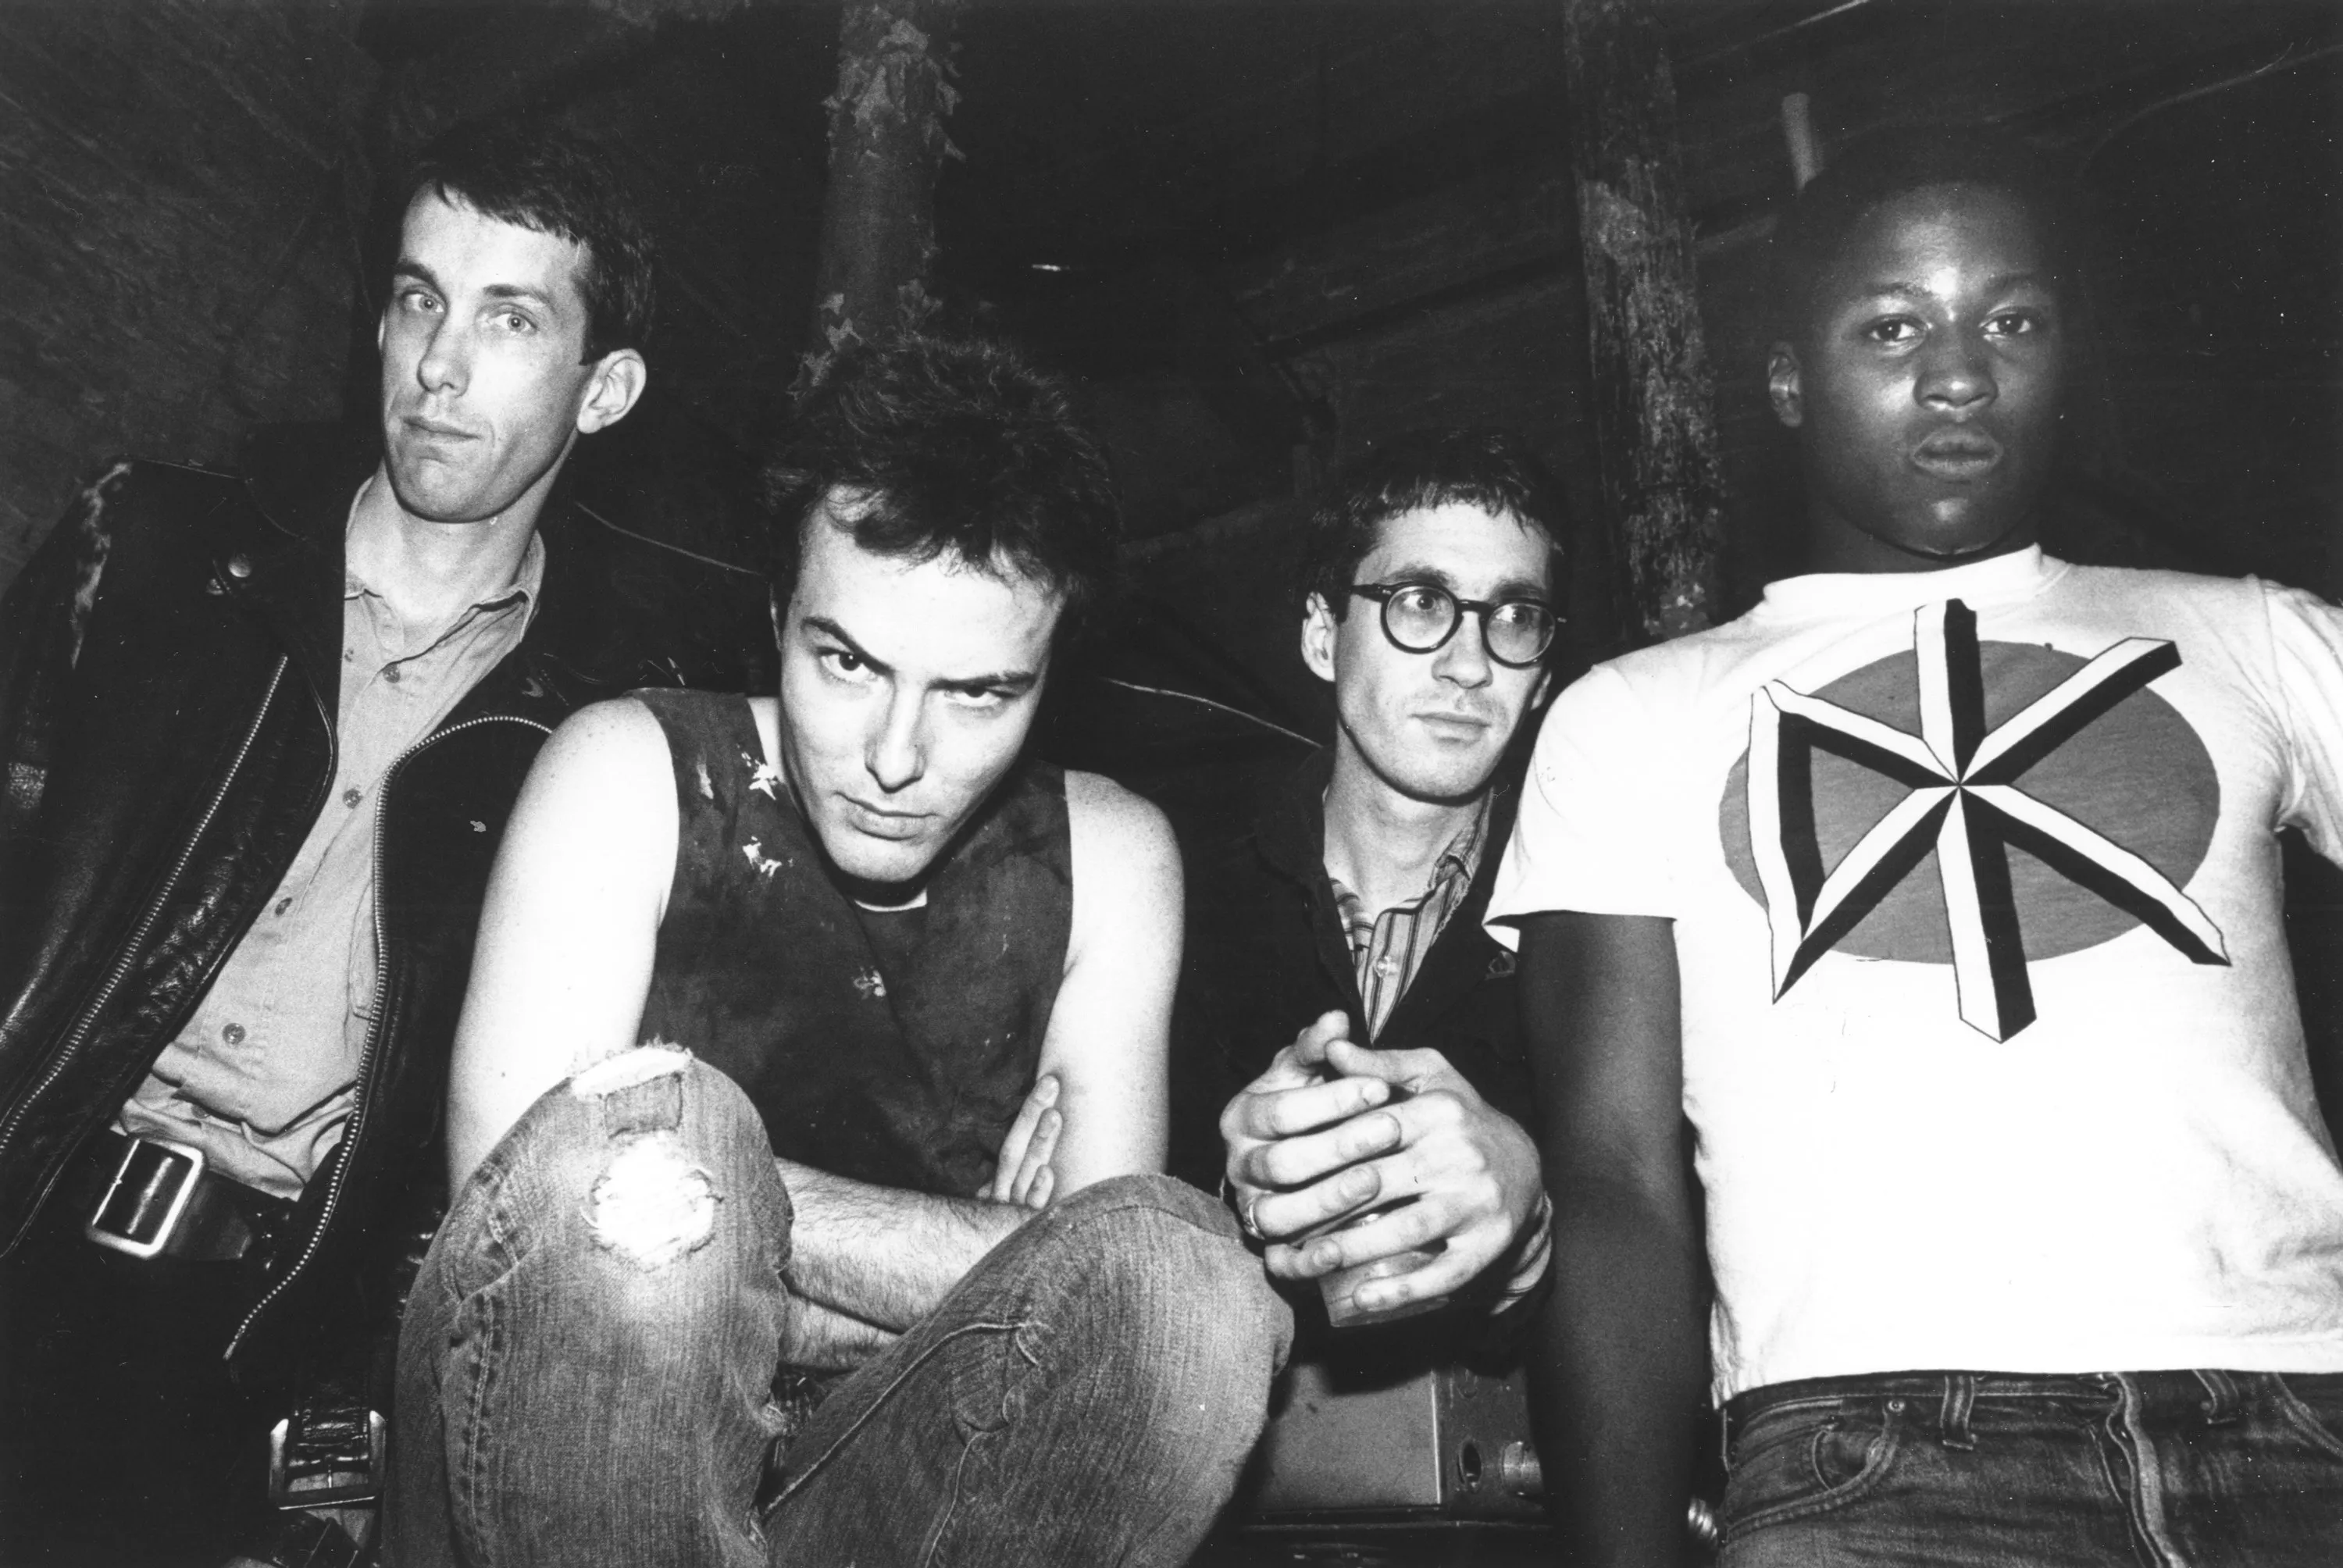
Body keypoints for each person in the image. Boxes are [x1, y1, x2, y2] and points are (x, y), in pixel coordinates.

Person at [1488, 124, 2343, 1566]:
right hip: (1876, 1458)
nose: (1959, 373)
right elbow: (1616, 1185)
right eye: (1891, 327)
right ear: (1785, 381)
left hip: (2306, 1413)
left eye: (2012, 319)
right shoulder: (1636, 714)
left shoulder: (2254, 632)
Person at [386, 331, 1290, 1568]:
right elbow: (532, 1251)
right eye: (848, 661)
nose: (896, 756)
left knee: (1194, 1290)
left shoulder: (1113, 858)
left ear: (1049, 678)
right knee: (640, 1175)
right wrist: (984, 1263)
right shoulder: (631, 769)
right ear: (775, 617)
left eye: (978, 692)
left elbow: (1105, 1310)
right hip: (550, 1484)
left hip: (873, 1489)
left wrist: (707, 1221)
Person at [0, 114, 769, 1566]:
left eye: (509, 317)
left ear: (606, 391)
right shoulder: (151, 550)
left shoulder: (603, 749)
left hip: (270, 1350)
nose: (438, 364)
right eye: (419, 297)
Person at [1184, 429, 1561, 1348]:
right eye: (1422, 602)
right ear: (1323, 636)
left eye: (1512, 617)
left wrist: (1535, 1222)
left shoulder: (1596, 913)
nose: (1471, 665)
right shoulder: (1186, 891)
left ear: (1545, 676)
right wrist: (1226, 1185)